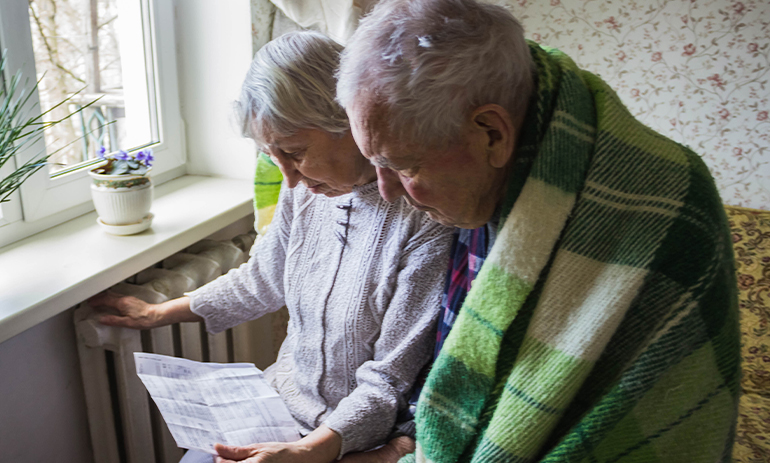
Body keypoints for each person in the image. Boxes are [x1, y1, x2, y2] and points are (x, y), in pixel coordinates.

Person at [336, 1, 741, 462]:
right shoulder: (486, 180)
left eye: (404, 166)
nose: (388, 192)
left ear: (492, 133)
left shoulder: (667, 204)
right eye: (376, 164)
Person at [90, 30, 452, 463]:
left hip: (361, 435)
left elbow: (388, 381)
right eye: (271, 154)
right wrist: (156, 313)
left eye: (295, 151)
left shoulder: (425, 216)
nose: (289, 177)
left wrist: (305, 451)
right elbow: (263, 279)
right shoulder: (305, 191)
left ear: (351, 122)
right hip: (277, 404)